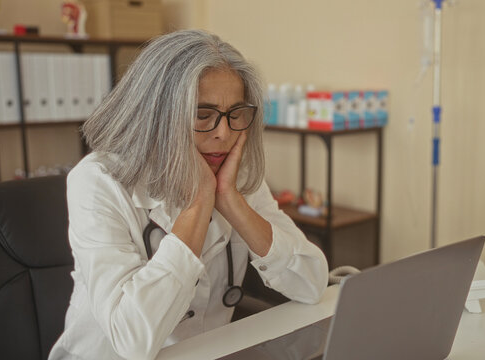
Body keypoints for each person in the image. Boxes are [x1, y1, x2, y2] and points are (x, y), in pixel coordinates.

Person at [48, 30, 329, 360]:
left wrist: (232, 201)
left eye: (235, 114)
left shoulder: (237, 177)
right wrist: (199, 204)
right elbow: (132, 341)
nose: (223, 133)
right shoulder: (98, 181)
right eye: (202, 115)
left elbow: (311, 284)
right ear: (157, 116)